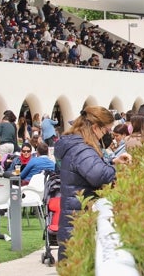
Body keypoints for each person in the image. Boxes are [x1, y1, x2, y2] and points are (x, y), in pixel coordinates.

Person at [54, 106, 132, 261]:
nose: (107, 135)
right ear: (95, 128)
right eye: (106, 131)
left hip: (74, 216)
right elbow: (98, 175)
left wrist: (112, 162)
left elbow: (87, 169)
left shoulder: (76, 146)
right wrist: (117, 171)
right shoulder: (82, 149)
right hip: (79, 219)